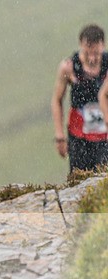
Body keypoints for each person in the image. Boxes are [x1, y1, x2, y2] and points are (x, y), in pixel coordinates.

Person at [52, 24, 108, 173]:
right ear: (80, 45)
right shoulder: (69, 67)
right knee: (79, 178)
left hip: (105, 136)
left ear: (103, 46)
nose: (92, 58)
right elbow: (57, 100)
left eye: (96, 53)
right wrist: (59, 135)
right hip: (79, 137)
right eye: (87, 53)